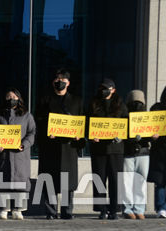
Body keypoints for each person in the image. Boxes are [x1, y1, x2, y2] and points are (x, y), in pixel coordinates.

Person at [34, 69, 84, 220]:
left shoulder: (77, 101)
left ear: (68, 83)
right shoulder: (45, 100)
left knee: (67, 181)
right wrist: (47, 130)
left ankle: (67, 211)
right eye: (57, 79)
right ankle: (50, 211)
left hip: (68, 147)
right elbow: (39, 120)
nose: (59, 82)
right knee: (49, 179)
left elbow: (82, 121)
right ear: (53, 82)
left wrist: (78, 135)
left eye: (63, 79)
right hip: (50, 146)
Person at [0, 88, 35, 220]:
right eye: (8, 97)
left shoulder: (26, 115)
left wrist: (24, 144)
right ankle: (3, 209)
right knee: (2, 179)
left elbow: (32, 133)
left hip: (19, 154)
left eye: (14, 96)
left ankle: (18, 209)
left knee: (19, 180)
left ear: (19, 98)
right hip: (3, 154)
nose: (11, 99)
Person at [87, 78, 127, 220]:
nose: (103, 90)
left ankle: (114, 210)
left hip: (116, 149)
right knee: (99, 179)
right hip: (98, 149)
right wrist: (91, 136)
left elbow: (127, 124)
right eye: (101, 88)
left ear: (113, 90)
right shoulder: (94, 103)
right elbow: (87, 123)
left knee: (116, 180)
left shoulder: (121, 105)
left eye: (107, 88)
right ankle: (101, 209)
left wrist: (122, 136)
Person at [122, 90, 151, 220]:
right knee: (127, 182)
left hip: (143, 152)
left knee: (140, 182)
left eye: (139, 102)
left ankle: (139, 209)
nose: (137, 105)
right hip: (128, 152)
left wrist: (152, 136)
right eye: (134, 102)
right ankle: (127, 209)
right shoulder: (124, 116)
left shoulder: (147, 118)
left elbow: (152, 133)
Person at [148, 86, 166, 218]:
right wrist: (152, 136)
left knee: (160, 181)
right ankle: (161, 207)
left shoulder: (156, 108)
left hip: (159, 150)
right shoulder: (156, 109)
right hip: (159, 150)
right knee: (160, 181)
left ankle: (162, 208)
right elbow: (147, 128)